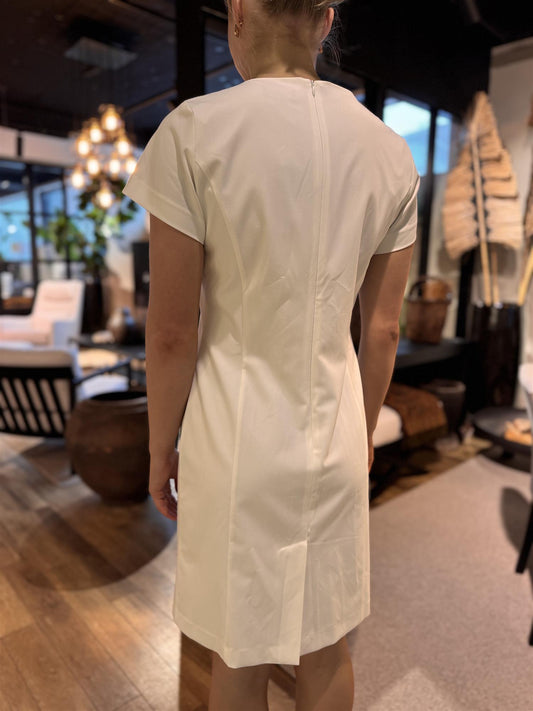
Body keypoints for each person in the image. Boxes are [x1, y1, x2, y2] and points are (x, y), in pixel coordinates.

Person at [122, 0, 419, 708]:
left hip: (234, 445)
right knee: (325, 647)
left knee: (240, 652)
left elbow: (171, 332)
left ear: (237, 15)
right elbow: (381, 329)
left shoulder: (193, 131)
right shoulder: (390, 152)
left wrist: (161, 449)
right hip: (334, 436)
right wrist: (361, 433)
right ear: (325, 20)